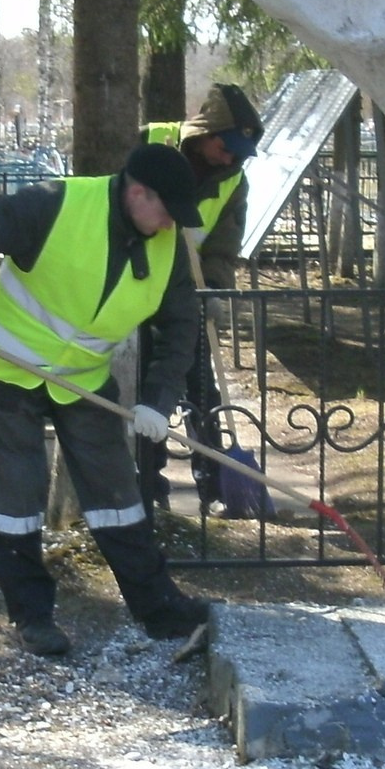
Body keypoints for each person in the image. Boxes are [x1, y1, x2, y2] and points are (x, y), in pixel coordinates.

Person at [0, 144, 214, 658]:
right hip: (12, 368)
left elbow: (180, 329)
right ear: (136, 191)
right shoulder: (55, 204)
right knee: (15, 500)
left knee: (117, 495)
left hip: (84, 381)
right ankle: (32, 617)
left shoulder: (167, 246)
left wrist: (156, 400)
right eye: (165, 209)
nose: (171, 223)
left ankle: (158, 610)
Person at [139, 82, 264, 508]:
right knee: (145, 392)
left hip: (186, 295)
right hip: (134, 289)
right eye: (226, 148)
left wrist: (213, 289)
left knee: (201, 392)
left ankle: (214, 485)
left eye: (237, 155)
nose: (230, 159)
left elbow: (224, 246)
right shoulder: (153, 142)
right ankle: (149, 487)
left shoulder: (233, 182)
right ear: (208, 134)